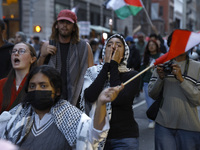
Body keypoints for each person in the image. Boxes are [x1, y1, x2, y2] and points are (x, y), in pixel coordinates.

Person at [0, 65, 123, 150]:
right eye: (32, 86)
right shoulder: (16, 116)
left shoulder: (69, 115)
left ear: (57, 91)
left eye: (43, 86)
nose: (36, 90)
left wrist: (101, 103)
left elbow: (94, 134)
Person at [80, 34, 141, 150]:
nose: (113, 47)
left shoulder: (132, 75)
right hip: (97, 137)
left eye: (118, 45)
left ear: (124, 54)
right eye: (109, 45)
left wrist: (114, 65)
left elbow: (118, 99)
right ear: (104, 50)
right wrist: (106, 66)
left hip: (124, 137)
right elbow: (90, 97)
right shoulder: (93, 72)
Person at [148, 32, 200, 150]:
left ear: (189, 46)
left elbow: (198, 99)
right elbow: (152, 93)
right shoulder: (162, 65)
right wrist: (160, 79)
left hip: (190, 127)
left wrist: (182, 80)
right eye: (175, 41)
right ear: (170, 44)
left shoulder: (198, 67)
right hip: (163, 125)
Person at [37, 9, 94, 106]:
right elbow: (36, 72)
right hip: (50, 99)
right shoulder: (48, 45)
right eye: (62, 22)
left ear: (74, 28)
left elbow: (91, 73)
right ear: (56, 25)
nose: (64, 25)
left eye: (68, 23)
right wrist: (42, 55)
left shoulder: (84, 47)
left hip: (77, 100)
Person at [0, 42, 37, 113]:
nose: (16, 53)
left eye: (22, 51)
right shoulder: (1, 84)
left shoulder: (38, 84)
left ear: (32, 59)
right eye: (14, 51)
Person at [140, 39, 162, 128]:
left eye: (153, 44)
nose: (151, 46)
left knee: (159, 102)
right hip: (147, 82)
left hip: (159, 82)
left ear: (157, 46)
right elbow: (142, 72)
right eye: (149, 45)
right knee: (149, 102)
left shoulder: (161, 56)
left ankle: (159, 119)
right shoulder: (146, 57)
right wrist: (140, 85)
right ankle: (151, 120)